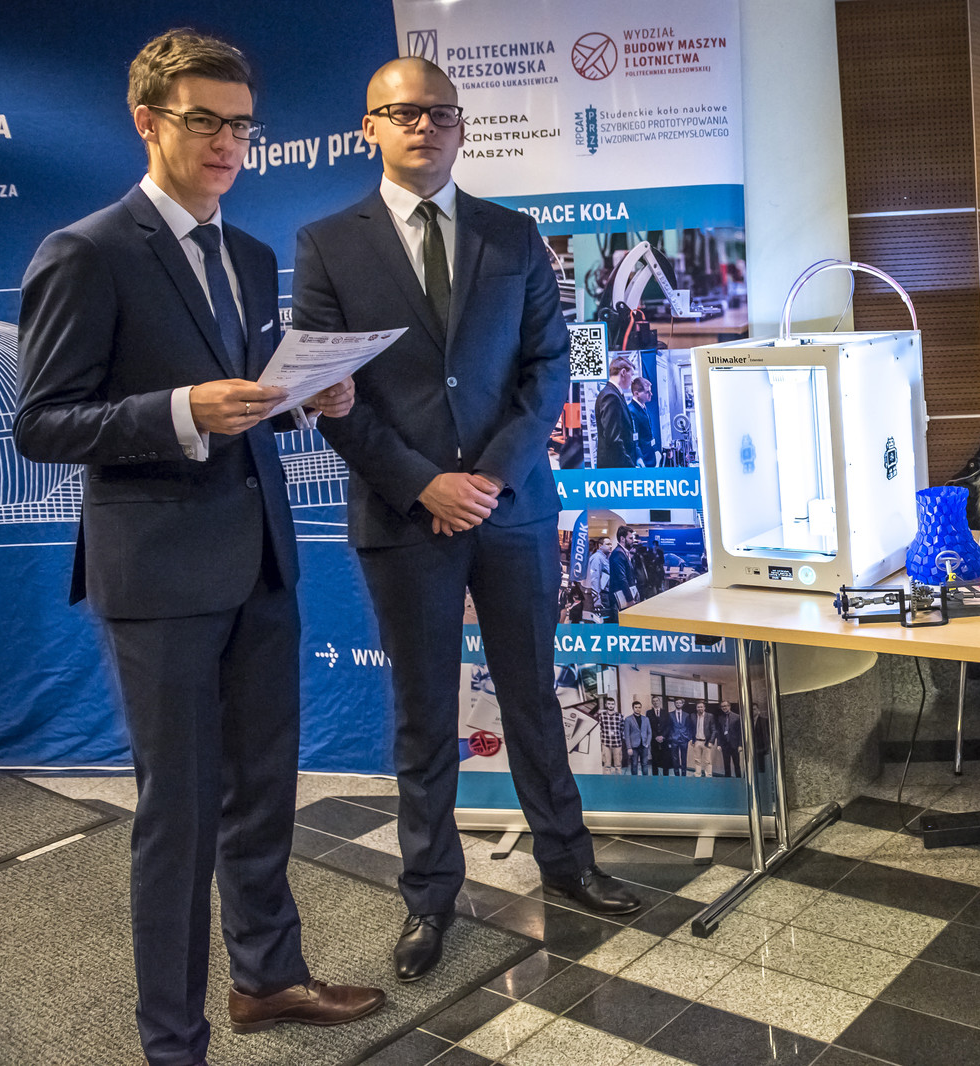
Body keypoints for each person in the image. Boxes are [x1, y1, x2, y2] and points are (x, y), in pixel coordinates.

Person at [11, 29, 378, 1065]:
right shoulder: (85, 252)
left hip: (259, 561)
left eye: (242, 126)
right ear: (148, 121)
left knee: (262, 794)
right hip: (160, 577)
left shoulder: (250, 254)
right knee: (176, 816)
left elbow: (245, 400)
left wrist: (306, 401)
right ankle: (172, 1040)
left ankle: (267, 979)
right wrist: (180, 410)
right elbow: (42, 424)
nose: (227, 143)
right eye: (204, 120)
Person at [292, 55, 640, 983]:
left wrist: (484, 479)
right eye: (403, 112)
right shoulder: (327, 245)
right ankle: (428, 897)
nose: (424, 126)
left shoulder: (512, 234)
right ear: (370, 126)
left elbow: (548, 369)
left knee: (532, 694)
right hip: (403, 514)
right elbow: (330, 390)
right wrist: (424, 485)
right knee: (422, 712)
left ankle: (567, 863)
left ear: (460, 126)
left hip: (510, 506)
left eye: (440, 112)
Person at [595, 354, 638, 467]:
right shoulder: (611, 396)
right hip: (616, 466)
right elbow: (614, 439)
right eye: (631, 375)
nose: (632, 380)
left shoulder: (614, 394)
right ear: (623, 372)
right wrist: (631, 466)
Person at [609, 525, 641, 614]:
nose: (633, 541)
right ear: (622, 539)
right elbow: (621, 578)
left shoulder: (622, 552)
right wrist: (629, 599)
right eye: (630, 538)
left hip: (623, 594)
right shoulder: (618, 553)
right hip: (620, 596)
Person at [629, 376, 660, 466]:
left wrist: (655, 450)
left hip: (650, 456)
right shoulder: (631, 410)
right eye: (647, 392)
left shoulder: (644, 407)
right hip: (643, 460)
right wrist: (639, 458)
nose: (651, 394)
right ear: (636, 393)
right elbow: (634, 438)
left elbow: (649, 433)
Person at [688, 699, 720, 777]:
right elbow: (690, 728)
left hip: (707, 742)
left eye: (701, 707)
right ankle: (697, 774)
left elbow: (714, 730)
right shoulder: (692, 716)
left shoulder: (710, 716)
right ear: (696, 708)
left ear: (704, 708)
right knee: (697, 760)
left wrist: (711, 741)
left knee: (708, 761)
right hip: (697, 741)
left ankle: (708, 775)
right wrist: (691, 739)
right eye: (698, 707)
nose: (700, 708)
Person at [586, 535, 614, 622]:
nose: (610, 546)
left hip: (605, 594)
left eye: (611, 544)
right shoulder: (597, 558)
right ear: (600, 546)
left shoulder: (604, 558)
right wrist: (597, 600)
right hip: (601, 595)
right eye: (608, 544)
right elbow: (594, 579)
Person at [596, 695, 625, 774]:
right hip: (606, 742)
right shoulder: (602, 716)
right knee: (607, 765)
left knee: (618, 765)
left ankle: (618, 780)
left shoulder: (619, 716)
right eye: (609, 704)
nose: (611, 705)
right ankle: (607, 780)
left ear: (614, 705)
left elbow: (622, 728)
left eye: (612, 704)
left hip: (617, 743)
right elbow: (600, 728)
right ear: (606, 705)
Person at [624, 700, 653, 776]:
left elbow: (649, 732)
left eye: (639, 707)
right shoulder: (628, 719)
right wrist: (629, 747)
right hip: (634, 746)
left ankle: (645, 781)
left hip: (644, 745)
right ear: (633, 708)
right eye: (636, 707)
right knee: (634, 764)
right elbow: (627, 734)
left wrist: (647, 743)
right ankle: (635, 782)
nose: (638, 709)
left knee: (645, 764)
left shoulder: (646, 719)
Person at [647, 695, 673, 776]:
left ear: (659, 702)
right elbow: (649, 726)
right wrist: (655, 736)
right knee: (654, 759)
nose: (655, 702)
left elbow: (668, 726)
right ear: (652, 703)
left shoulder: (665, 712)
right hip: (654, 740)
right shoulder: (649, 713)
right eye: (654, 701)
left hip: (664, 739)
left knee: (665, 759)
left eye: (657, 701)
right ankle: (655, 778)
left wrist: (663, 736)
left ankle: (666, 777)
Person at [666, 698, 693, 776]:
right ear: (674, 704)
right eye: (677, 703)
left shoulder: (687, 715)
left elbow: (689, 727)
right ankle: (676, 775)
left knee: (684, 757)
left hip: (684, 739)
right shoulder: (670, 714)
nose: (678, 704)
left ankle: (684, 774)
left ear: (682, 704)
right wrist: (670, 737)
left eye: (680, 703)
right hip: (674, 739)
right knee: (675, 758)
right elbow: (668, 727)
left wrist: (688, 737)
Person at [719, 703, 744, 777]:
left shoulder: (737, 717)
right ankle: (727, 780)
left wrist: (740, 745)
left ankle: (738, 779)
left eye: (725, 706)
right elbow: (719, 732)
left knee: (736, 764)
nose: (724, 708)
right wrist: (719, 744)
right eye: (722, 706)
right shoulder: (720, 718)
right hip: (725, 744)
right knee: (726, 764)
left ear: (729, 706)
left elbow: (740, 732)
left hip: (734, 744)